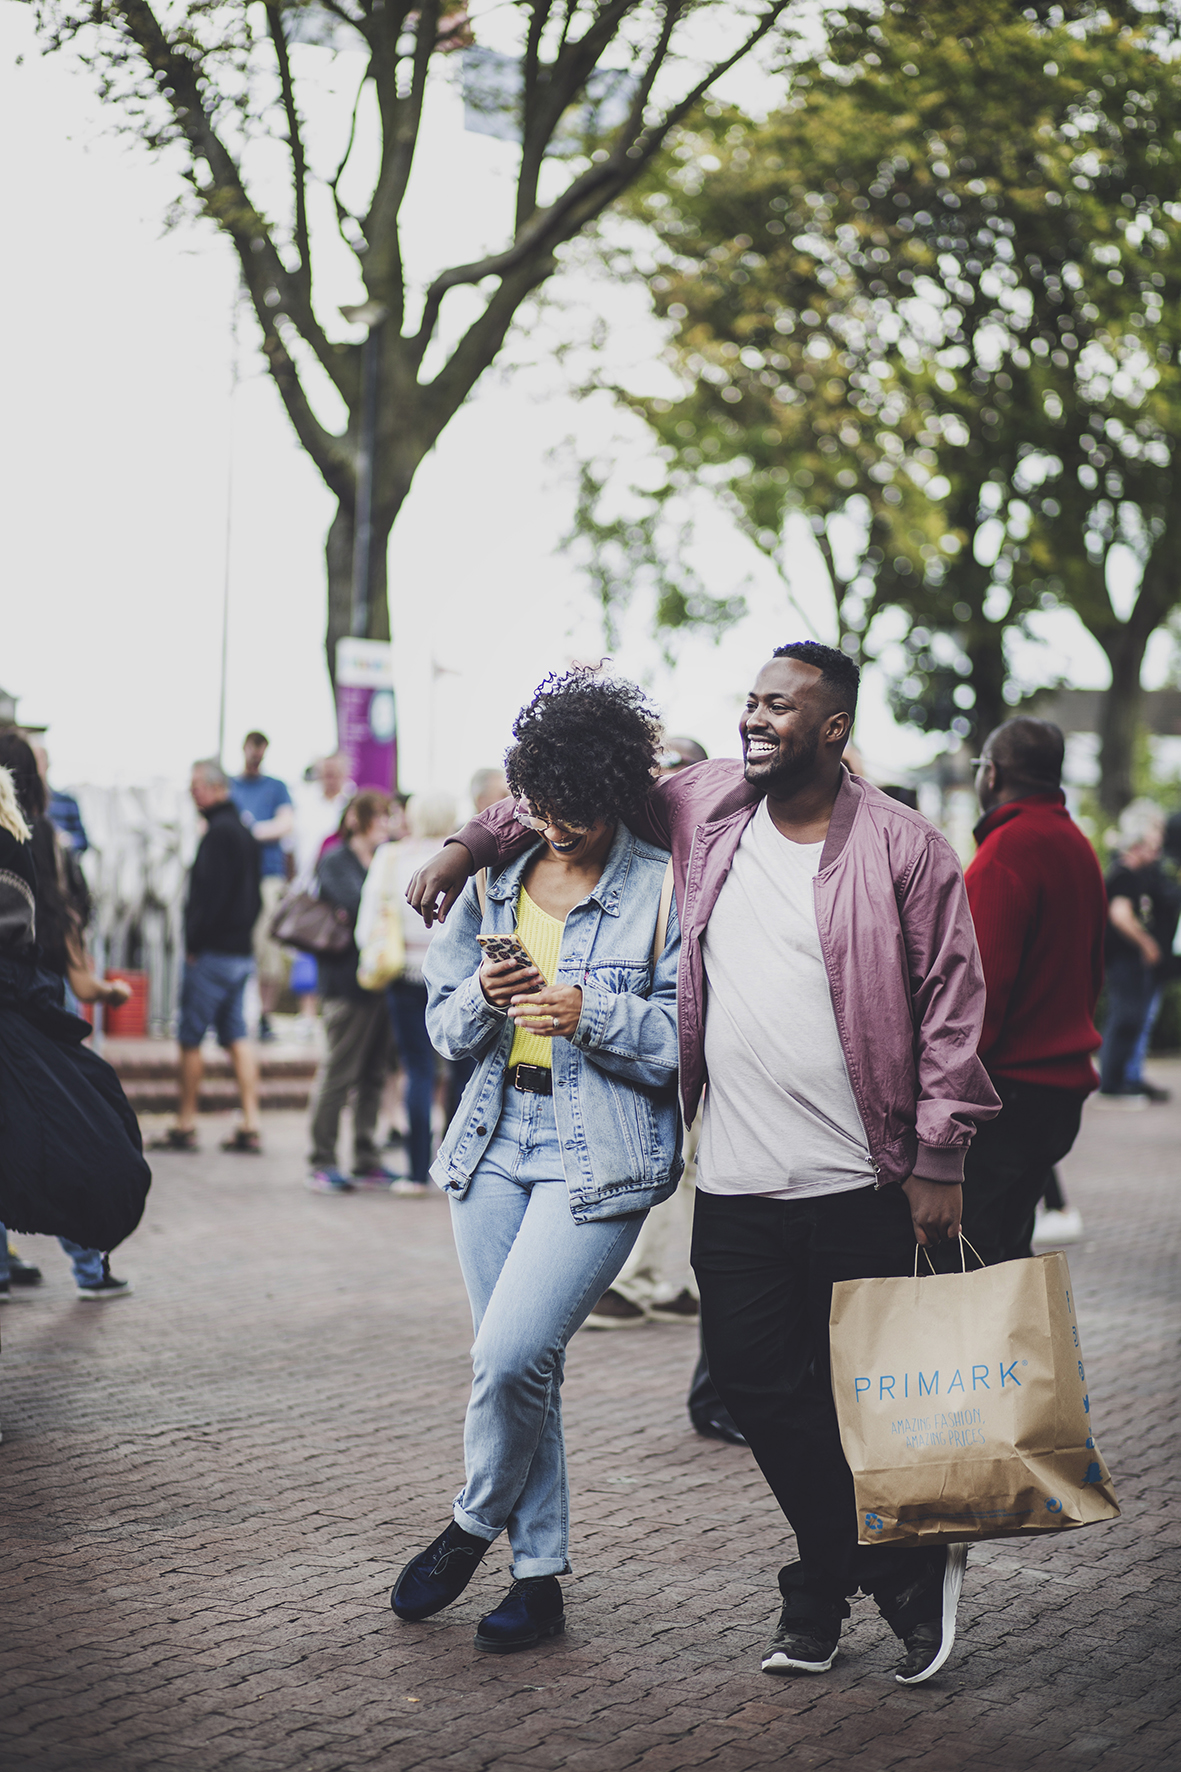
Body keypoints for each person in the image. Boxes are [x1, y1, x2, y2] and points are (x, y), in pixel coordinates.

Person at [410, 640, 999, 1685]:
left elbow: (952, 1004)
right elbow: (553, 794)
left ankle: (826, 1584)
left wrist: (938, 1153)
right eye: (751, 700)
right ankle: (871, 1565)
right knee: (747, 1384)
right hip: (731, 1166)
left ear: (832, 728)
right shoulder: (704, 803)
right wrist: (462, 845)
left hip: (861, 1167)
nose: (756, 717)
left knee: (848, 1391)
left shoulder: (906, 848)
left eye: (782, 705)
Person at [391, 669, 681, 1654]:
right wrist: (485, 986)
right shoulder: (493, 878)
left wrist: (583, 1010)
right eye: (545, 813)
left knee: (509, 1350)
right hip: (489, 1140)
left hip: (597, 1150)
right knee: (527, 1368)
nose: (561, 833)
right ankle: (537, 1576)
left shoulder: (660, 883)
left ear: (614, 791)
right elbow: (441, 1029)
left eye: (580, 817)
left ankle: (471, 1521)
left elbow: (686, 1034)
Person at [0, 742, 148, 1298]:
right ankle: (90, 1266)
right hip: (32, 999)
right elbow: (61, 925)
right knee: (59, 1126)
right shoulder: (35, 839)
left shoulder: (29, 839)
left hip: (26, 999)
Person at [959, 720, 1107, 1265]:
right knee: (1007, 1258)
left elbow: (978, 1002)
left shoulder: (1006, 853)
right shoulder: (1076, 845)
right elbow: (1093, 971)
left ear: (992, 774)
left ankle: (984, 1357)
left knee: (967, 1267)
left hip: (1006, 1097)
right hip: (1058, 1097)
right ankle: (1013, 1355)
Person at [155, 761, 262, 1154]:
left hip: (213, 954)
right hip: (240, 952)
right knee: (237, 1036)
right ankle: (251, 1120)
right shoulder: (246, 833)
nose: (191, 793)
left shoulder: (218, 834)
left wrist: (194, 943)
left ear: (217, 788)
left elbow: (208, 898)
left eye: (197, 785)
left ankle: (185, 1122)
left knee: (190, 1037)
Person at [357, 791, 457, 1196]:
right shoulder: (462, 856)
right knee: (460, 1071)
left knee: (417, 1071)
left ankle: (416, 1172)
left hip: (404, 972)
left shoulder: (392, 857)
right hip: (457, 975)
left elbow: (369, 919)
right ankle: (454, 1167)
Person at [307, 790, 396, 1193]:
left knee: (374, 1073)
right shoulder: (336, 859)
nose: (387, 824)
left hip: (380, 979)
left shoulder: (384, 859)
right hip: (344, 982)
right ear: (358, 820)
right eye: (379, 817)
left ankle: (365, 1155)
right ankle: (321, 1159)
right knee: (339, 1073)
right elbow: (359, 904)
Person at [1096, 800, 1176, 1106]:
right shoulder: (1123, 875)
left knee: (1133, 1017)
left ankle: (1125, 1078)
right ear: (1137, 845)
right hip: (1123, 960)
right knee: (1126, 1017)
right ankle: (1113, 1083)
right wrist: (1148, 944)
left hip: (1131, 962)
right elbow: (1121, 916)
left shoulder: (1137, 876)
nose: (1155, 855)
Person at [231, 731, 295, 1043]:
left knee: (269, 949)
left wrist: (248, 831)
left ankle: (265, 1015)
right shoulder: (230, 786)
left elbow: (285, 824)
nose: (255, 754)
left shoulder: (276, 787)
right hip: (235, 878)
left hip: (268, 877)